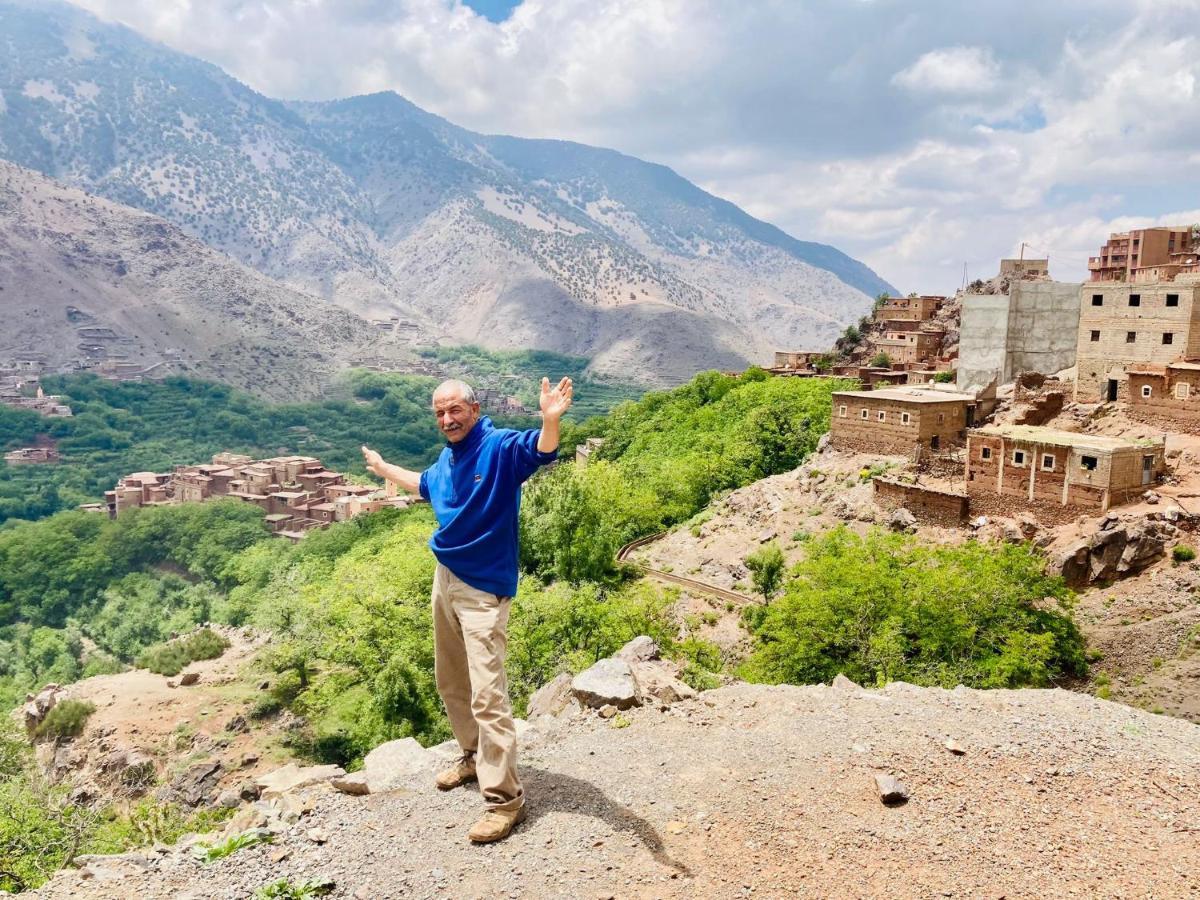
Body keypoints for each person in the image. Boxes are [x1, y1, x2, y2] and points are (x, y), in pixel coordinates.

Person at [360, 375, 573, 843]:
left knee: (487, 694)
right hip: (446, 579)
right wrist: (381, 468)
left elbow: (539, 451)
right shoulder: (447, 458)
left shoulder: (497, 447)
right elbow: (424, 485)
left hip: (482, 590)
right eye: (439, 412)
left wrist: (550, 420)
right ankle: (473, 756)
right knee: (451, 680)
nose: (447, 419)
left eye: (455, 410)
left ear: (474, 410)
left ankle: (504, 800)